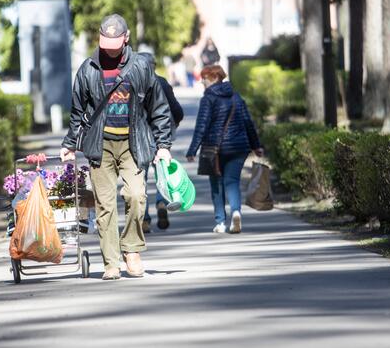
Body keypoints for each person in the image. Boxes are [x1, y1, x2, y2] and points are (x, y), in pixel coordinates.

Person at [60, 14, 173, 281]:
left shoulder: (141, 67)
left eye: (114, 43)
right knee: (105, 206)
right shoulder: (87, 69)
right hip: (100, 145)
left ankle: (132, 249)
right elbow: (78, 112)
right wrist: (69, 145)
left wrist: (163, 145)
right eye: (105, 42)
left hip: (133, 144)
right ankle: (111, 262)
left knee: (136, 196)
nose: (108, 49)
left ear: (126, 38)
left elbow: (159, 108)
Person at [186, 65, 263, 234]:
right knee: (232, 181)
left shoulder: (208, 98)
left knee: (216, 184)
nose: (202, 82)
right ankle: (236, 212)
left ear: (214, 78)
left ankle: (220, 222)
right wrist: (256, 145)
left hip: (216, 148)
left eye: (204, 79)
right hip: (239, 147)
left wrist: (192, 150)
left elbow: (202, 126)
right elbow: (248, 122)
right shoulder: (236, 97)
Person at [138, 52, 184, 232]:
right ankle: (161, 202)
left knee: (140, 178)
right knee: (161, 175)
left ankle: (144, 219)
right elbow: (176, 109)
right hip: (161, 137)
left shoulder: (133, 83)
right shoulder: (162, 82)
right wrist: (174, 123)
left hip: (140, 138)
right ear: (154, 65)